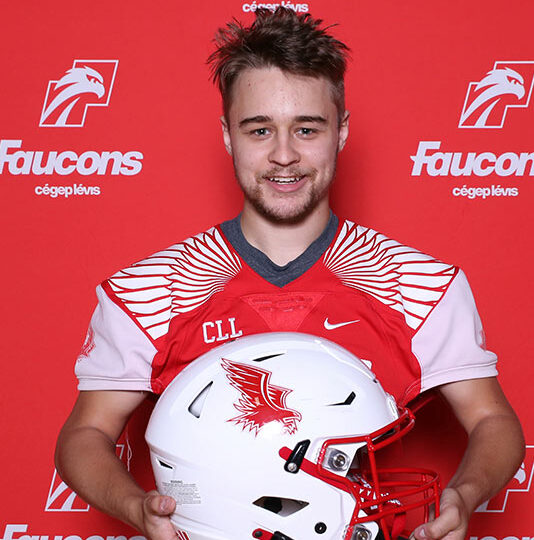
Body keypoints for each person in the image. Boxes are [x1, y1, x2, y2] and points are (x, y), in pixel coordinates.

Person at [55, 7, 524, 540]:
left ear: (341, 132)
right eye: (260, 130)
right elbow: (85, 433)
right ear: (228, 135)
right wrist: (136, 507)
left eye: (306, 128)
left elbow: (492, 420)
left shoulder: (419, 286)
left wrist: (464, 494)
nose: (284, 155)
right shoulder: (152, 289)